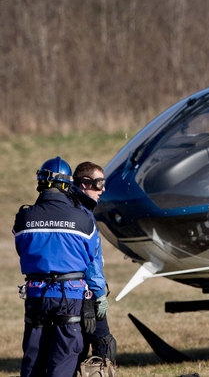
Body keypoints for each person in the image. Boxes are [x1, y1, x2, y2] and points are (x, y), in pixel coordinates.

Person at [13, 157, 107, 377]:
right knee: (64, 357)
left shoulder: (24, 217)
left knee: (33, 356)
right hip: (70, 296)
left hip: (35, 294)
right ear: (67, 184)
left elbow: (21, 249)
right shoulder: (84, 219)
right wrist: (100, 294)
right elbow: (91, 261)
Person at [72, 162, 117, 368]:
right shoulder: (82, 213)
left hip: (66, 293)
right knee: (103, 346)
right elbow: (90, 260)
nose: (103, 189)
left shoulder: (73, 208)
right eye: (99, 184)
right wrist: (99, 293)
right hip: (84, 292)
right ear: (84, 184)